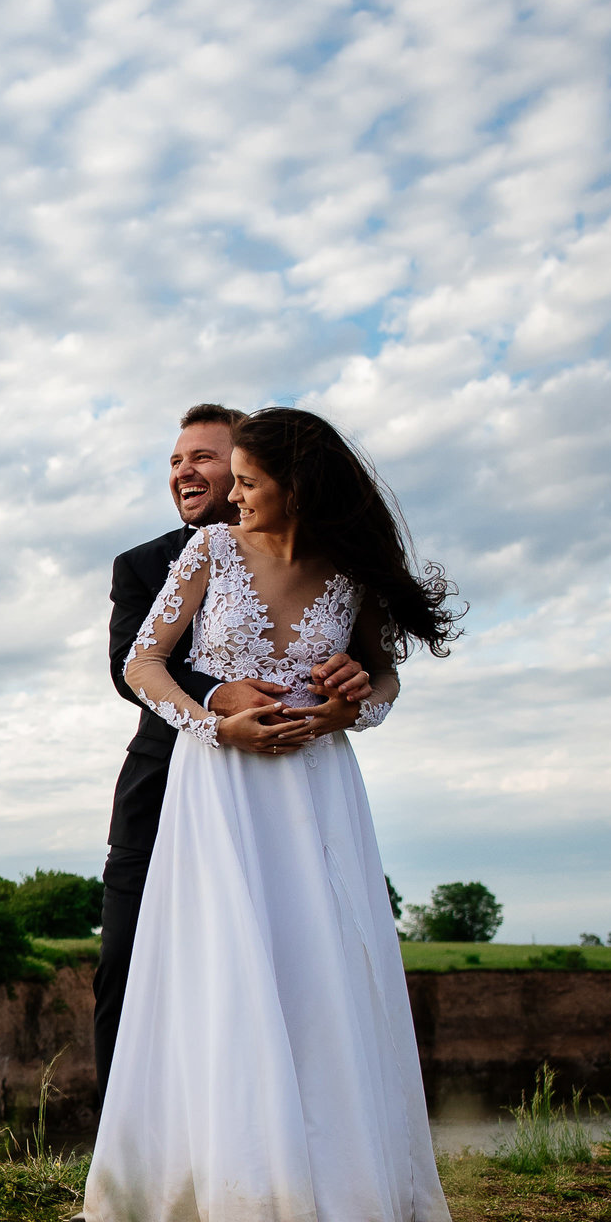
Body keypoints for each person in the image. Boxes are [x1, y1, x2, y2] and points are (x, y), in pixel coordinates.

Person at [82, 407, 462, 1222]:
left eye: (240, 478)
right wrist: (218, 723)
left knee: (319, 972)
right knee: (220, 974)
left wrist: (353, 699)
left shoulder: (350, 572)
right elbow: (140, 664)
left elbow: (382, 676)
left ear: (294, 485)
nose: (227, 494)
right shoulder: (207, 553)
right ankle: (220, 1188)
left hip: (319, 794)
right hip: (219, 788)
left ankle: (331, 1195)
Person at [92, 405, 370, 1110]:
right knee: (129, 963)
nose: (186, 471)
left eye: (206, 459)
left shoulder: (336, 564)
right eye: (176, 460)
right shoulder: (147, 562)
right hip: (168, 784)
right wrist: (219, 699)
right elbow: (133, 665)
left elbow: (371, 664)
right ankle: (128, 1153)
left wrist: (353, 690)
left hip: (296, 788)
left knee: (286, 961)